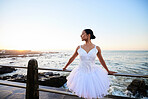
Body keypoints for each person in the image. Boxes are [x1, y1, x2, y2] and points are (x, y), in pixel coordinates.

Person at [63, 29, 116, 99]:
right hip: (81, 74)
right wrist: (65, 67)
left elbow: (101, 60)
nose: (81, 35)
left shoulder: (96, 48)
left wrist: (108, 71)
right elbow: (72, 58)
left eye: (83, 34)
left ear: (88, 35)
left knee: (94, 95)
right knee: (82, 95)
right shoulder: (79, 47)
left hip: (93, 74)